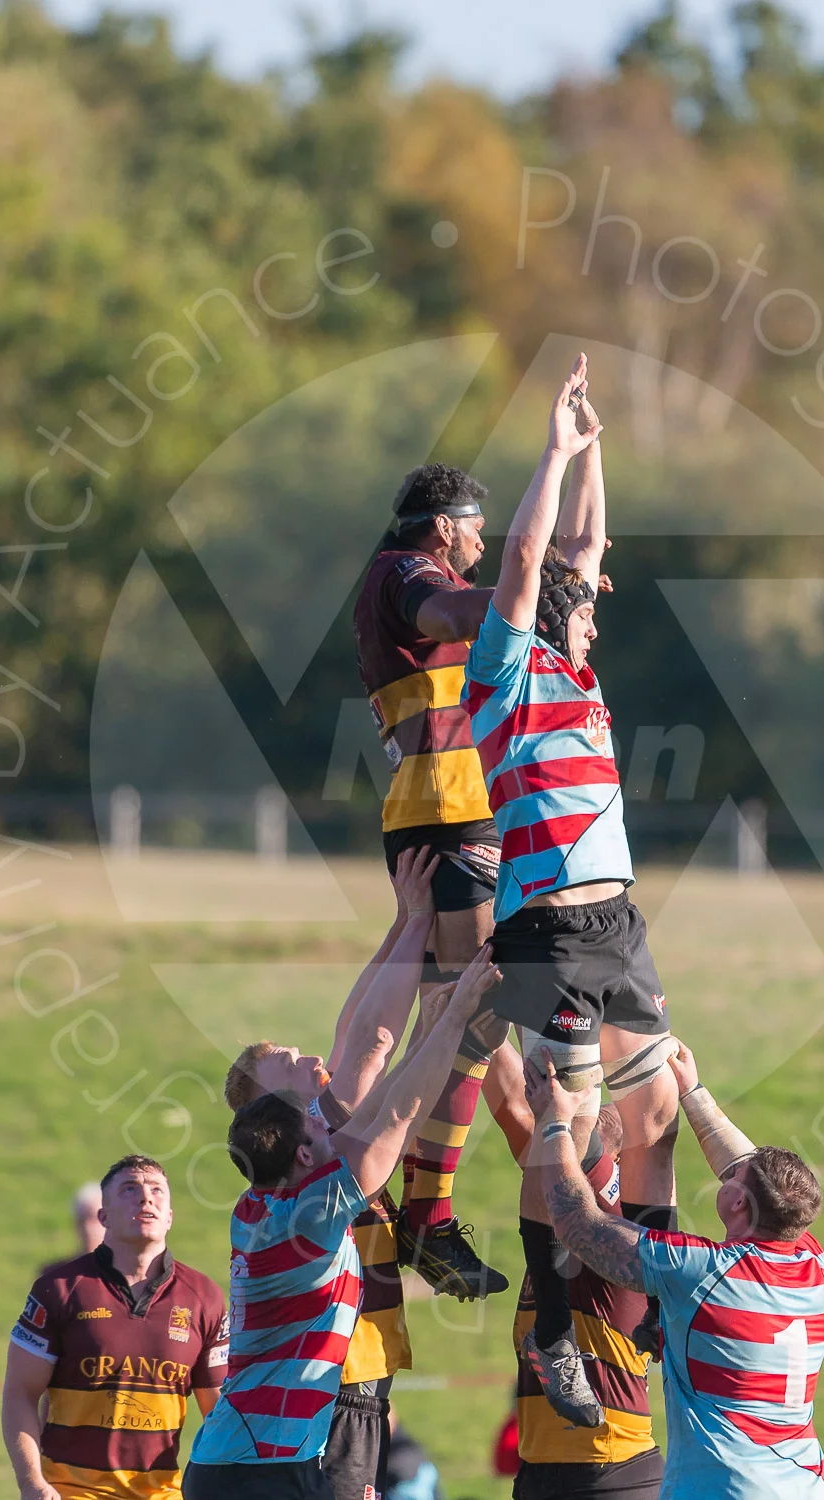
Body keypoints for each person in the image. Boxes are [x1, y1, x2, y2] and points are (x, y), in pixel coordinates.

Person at [461, 354, 679, 1424]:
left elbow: (585, 549)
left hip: (617, 919)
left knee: (657, 1109)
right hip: (545, 927)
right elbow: (533, 553)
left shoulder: (580, 667)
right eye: (584, 611)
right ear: (552, 616)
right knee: (566, 1121)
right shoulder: (502, 667)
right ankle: (554, 1330)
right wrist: (550, 449)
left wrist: (595, 452)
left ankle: (662, 1290)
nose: (597, 616)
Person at [183, 947, 502, 1500]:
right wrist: (454, 1017)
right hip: (261, 1467)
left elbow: (382, 1112)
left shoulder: (257, 1206)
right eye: (317, 1131)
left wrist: (430, 1028)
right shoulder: (312, 1214)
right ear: (305, 1158)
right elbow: (395, 1117)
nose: (331, 1130)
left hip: (250, 1457)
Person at [224, 849, 471, 1500]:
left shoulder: (310, 1134)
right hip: (340, 1375)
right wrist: (417, 923)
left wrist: (403, 923)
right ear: (264, 1103)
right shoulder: (316, 1130)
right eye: (283, 1060)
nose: (304, 1054)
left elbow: (354, 1029)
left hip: (350, 1369)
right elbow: (367, 1041)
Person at [525, 1041, 824, 1499]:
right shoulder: (814, 1266)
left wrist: (554, 1124)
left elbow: (577, 1224)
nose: (727, 1173)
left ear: (736, 1202)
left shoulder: (701, 1272)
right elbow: (755, 1177)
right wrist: (693, 1091)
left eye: (732, 1178)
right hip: (801, 1485)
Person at [353, 461, 507, 1300]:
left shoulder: (421, 570)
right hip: (447, 809)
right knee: (470, 1012)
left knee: (467, 1018)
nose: (483, 540)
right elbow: (446, 611)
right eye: (476, 524)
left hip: (463, 810)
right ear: (441, 524)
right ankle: (422, 1214)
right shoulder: (402, 571)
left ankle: (415, 1208)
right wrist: (526, 592)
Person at [485, 1043, 664, 1500]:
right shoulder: (548, 1214)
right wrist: (478, 1013)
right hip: (541, 1472)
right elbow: (510, 1107)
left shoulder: (613, 1214)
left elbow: (579, 1154)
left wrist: (568, 1081)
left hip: (611, 1469)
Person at [2, 1156, 229, 1500]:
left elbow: (220, 1414)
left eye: (157, 1191)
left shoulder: (204, 1298)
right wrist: (31, 1481)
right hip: (71, 1492)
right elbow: (20, 1392)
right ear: (103, 1216)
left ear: (169, 1216)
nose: (145, 1198)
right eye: (129, 1189)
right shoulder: (59, 1288)